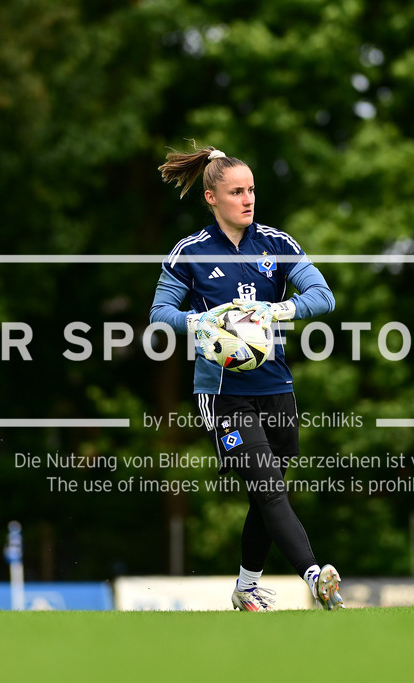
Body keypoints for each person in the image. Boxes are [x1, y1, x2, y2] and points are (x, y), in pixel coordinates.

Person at [149, 143, 344, 611]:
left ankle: (245, 587)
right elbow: (160, 315)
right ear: (211, 198)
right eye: (236, 191)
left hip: (277, 387)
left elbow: (323, 296)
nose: (248, 199)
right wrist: (206, 322)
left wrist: (277, 308)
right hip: (222, 394)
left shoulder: (276, 244)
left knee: (269, 491)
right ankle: (316, 577)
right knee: (269, 489)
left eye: (252, 189)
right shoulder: (189, 253)